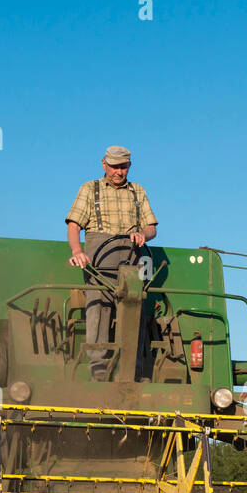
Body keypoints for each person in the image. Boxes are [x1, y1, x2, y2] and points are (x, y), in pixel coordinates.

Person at [65, 146, 158, 380]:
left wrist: (142, 235)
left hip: (132, 258)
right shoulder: (90, 188)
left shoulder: (138, 191)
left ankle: (132, 371)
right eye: (114, 167)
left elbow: (151, 227)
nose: (119, 172)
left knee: (134, 307)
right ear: (104, 164)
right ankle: (98, 368)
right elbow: (74, 226)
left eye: (123, 167)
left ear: (129, 166)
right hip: (98, 258)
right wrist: (77, 251)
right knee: (99, 306)